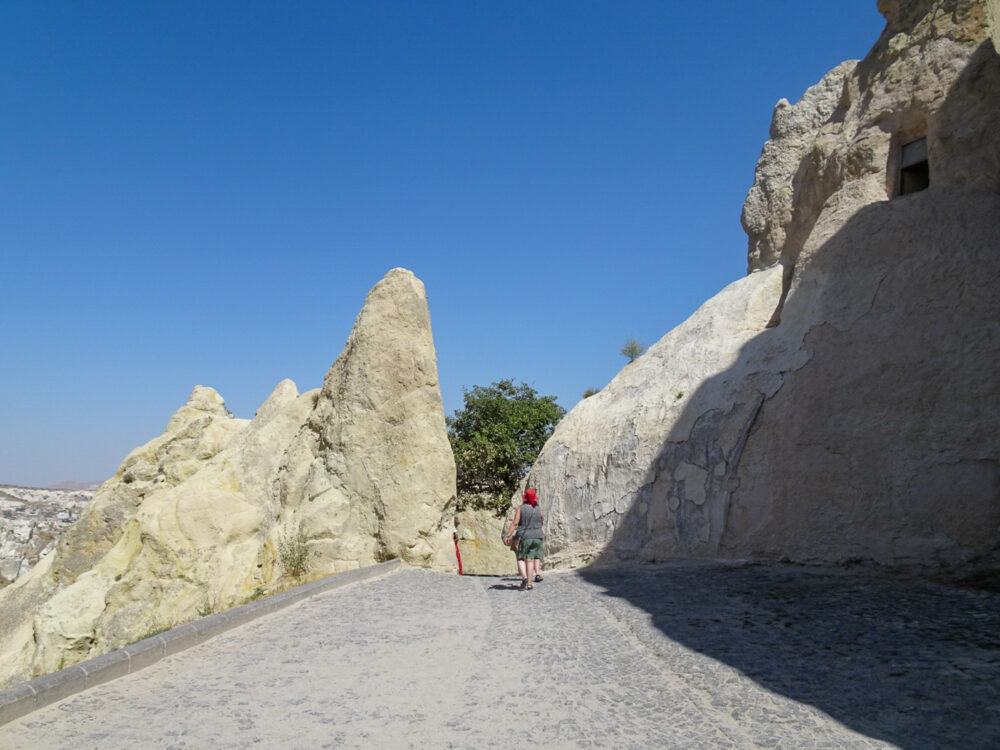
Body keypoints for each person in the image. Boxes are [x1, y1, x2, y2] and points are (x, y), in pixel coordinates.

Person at [504, 488, 544, 590]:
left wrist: (508, 535)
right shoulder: (539, 509)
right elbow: (541, 522)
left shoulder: (521, 508)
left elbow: (515, 523)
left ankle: (525, 578)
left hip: (525, 537)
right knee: (530, 560)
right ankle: (530, 584)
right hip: (538, 537)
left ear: (525, 498)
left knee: (520, 557)